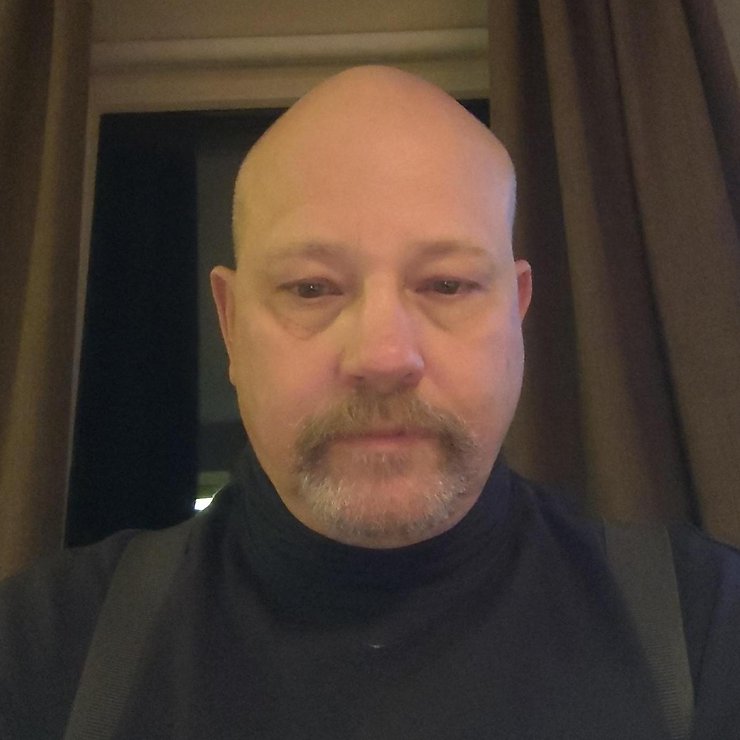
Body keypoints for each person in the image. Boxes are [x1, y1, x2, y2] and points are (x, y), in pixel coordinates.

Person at [1, 65, 739, 739]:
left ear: (516, 313)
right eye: (311, 288)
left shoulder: (709, 630)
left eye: (446, 284)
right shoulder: (40, 653)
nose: (384, 358)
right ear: (230, 324)